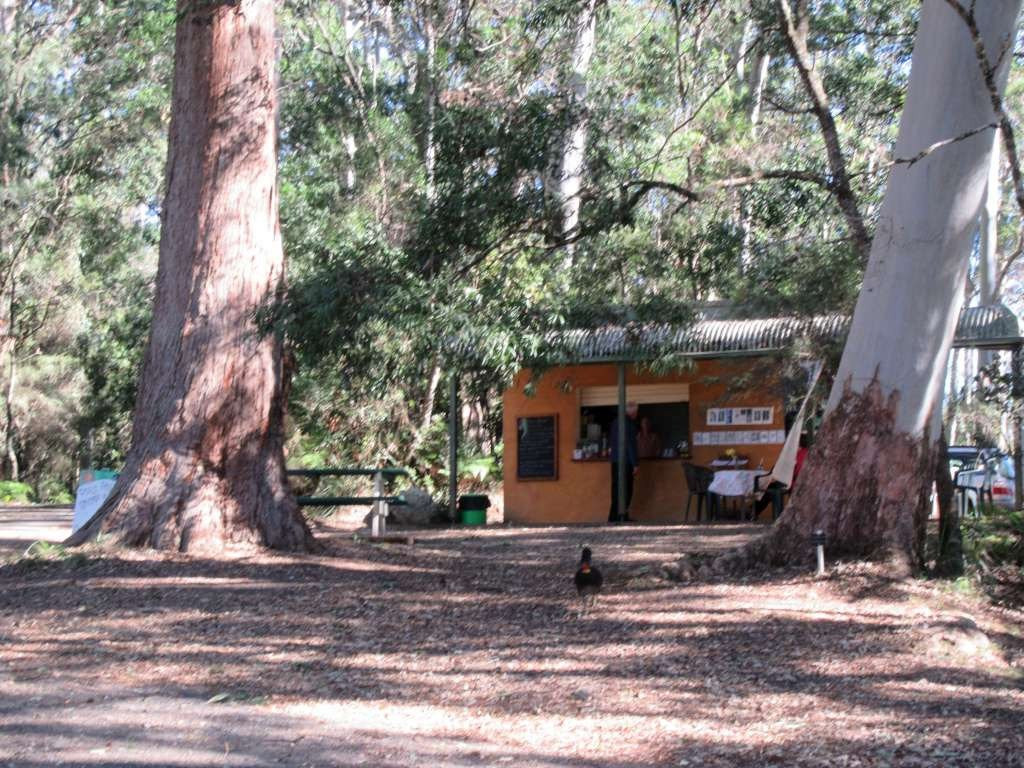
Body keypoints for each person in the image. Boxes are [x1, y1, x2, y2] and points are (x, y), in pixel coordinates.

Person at [754, 434, 810, 516]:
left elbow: (785, 469)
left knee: (769, 489)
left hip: (792, 483)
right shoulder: (807, 452)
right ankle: (756, 511)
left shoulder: (795, 455)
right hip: (799, 482)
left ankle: (755, 512)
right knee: (770, 488)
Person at [608, 402, 638, 523]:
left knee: (616, 490)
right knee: (626, 490)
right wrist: (635, 463)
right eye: (636, 412)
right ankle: (620, 516)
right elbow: (630, 444)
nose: (636, 414)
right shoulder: (628, 424)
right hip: (625, 462)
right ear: (631, 412)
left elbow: (612, 442)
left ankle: (614, 516)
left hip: (615, 461)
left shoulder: (615, 422)